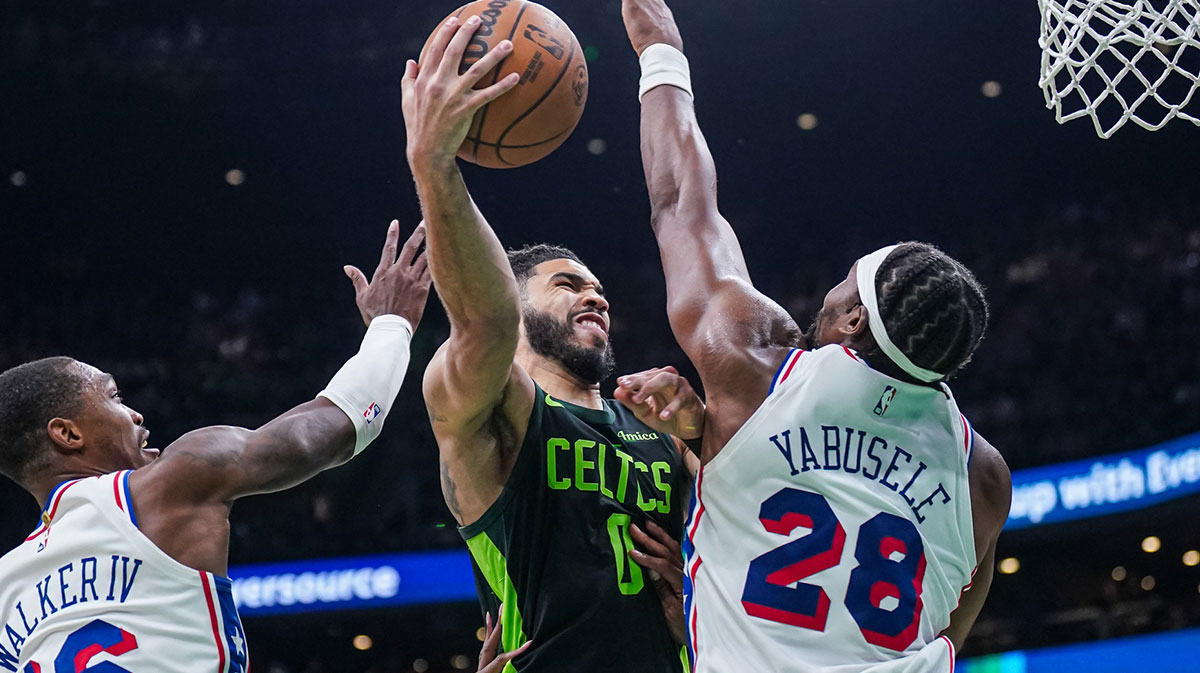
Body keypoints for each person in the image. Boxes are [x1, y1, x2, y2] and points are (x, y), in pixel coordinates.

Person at [616, 0, 1014, 671]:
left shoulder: (754, 370)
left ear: (853, 319)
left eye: (845, 282)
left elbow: (680, 201)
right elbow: (952, 621)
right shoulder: (983, 475)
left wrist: (660, 48)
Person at [401, 15, 704, 673]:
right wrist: (435, 164)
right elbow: (483, 322)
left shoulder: (663, 431)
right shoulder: (498, 415)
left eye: (598, 288)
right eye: (567, 284)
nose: (595, 296)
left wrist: (705, 434)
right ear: (518, 307)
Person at [0, 222, 431, 672]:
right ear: (67, 434)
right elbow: (341, 423)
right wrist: (392, 322)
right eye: (114, 398)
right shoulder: (167, 484)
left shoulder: (6, 588)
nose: (135, 414)